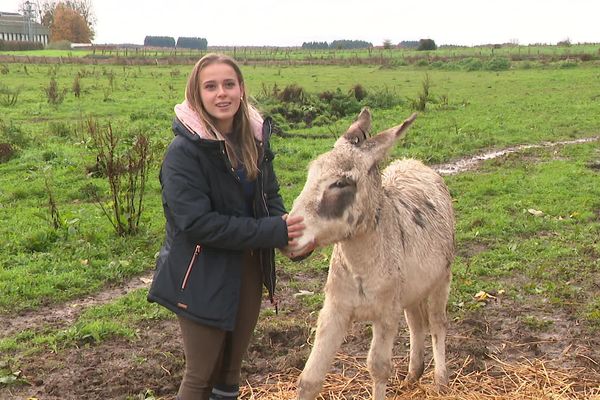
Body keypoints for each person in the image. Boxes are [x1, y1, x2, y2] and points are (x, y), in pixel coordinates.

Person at [147, 53, 314, 400]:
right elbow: (199, 224)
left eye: (229, 84)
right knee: (200, 376)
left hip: (247, 268)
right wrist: (274, 232)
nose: (221, 93)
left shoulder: (253, 140)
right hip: (201, 272)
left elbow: (269, 196)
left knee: (229, 374)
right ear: (197, 94)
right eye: (211, 86)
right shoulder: (183, 153)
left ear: (240, 89)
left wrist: (292, 238)